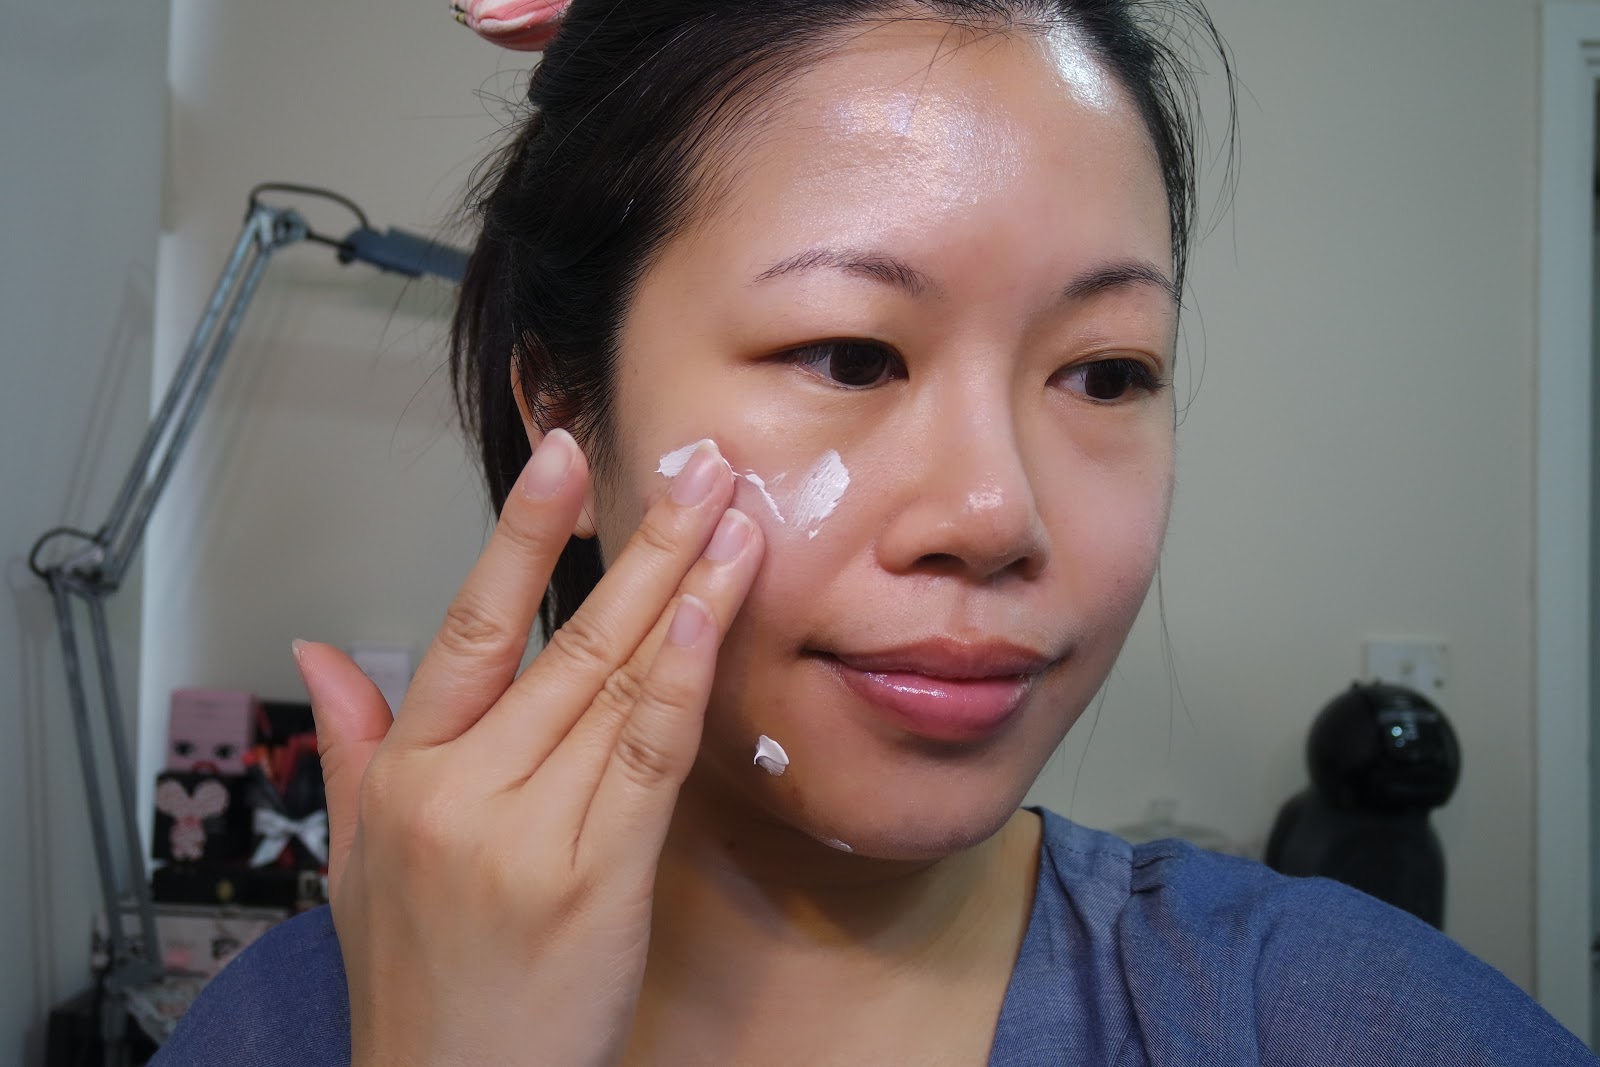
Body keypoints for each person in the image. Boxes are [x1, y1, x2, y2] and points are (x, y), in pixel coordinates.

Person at [153, 1, 1597, 1063]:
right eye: (851, 356)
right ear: (563, 413)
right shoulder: (299, 1030)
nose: (995, 515)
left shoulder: (1344, 1021)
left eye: (1106, 374)